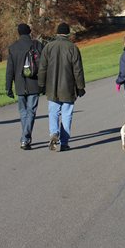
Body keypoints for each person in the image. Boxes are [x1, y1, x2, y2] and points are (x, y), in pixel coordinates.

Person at [38, 22, 86, 152]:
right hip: (68, 87)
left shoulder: (48, 47)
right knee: (67, 113)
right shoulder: (73, 48)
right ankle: (64, 142)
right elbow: (78, 70)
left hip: (51, 87)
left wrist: (41, 84)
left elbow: (42, 68)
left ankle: (54, 133)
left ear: (57, 33)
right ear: (68, 33)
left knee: (53, 112)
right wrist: (80, 86)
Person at [5, 23, 43, 149]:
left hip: (20, 85)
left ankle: (25, 138)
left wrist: (8, 87)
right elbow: (44, 66)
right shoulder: (37, 45)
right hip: (34, 83)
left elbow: (9, 70)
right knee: (31, 111)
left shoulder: (13, 48)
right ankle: (25, 138)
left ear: (18, 33)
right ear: (29, 32)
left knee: (23, 112)